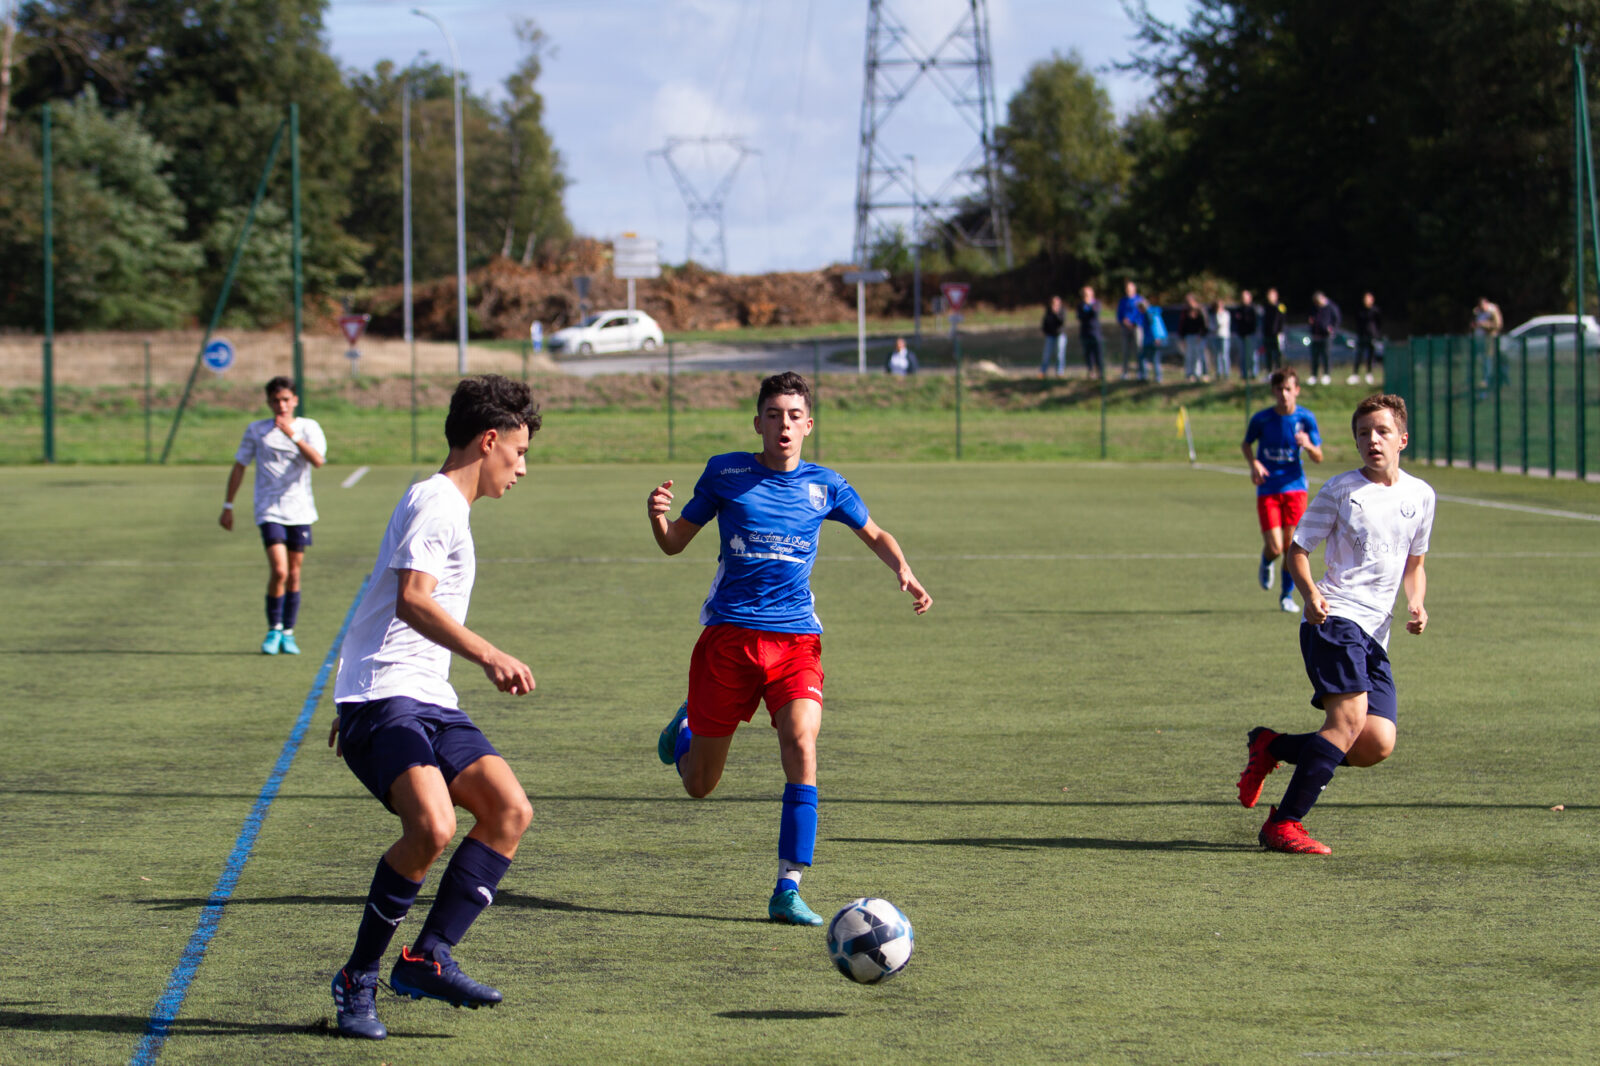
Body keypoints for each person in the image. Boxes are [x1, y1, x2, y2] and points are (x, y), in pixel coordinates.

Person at [646, 371, 932, 926]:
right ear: (758, 423)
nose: (784, 425)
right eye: (774, 415)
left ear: (808, 425)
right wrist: (657, 515)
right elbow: (675, 542)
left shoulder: (827, 485)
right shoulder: (726, 473)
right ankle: (686, 731)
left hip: (796, 640)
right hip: (728, 640)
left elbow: (875, 533)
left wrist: (904, 570)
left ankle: (788, 886)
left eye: (794, 416)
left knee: (801, 740)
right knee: (700, 786)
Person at [327, 375, 542, 1041]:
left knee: (509, 810)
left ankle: (428, 957)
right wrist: (489, 655)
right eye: (519, 452)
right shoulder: (436, 501)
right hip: (388, 698)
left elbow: (382, 602)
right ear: (489, 440)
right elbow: (411, 599)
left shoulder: (448, 507)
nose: (522, 468)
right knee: (433, 825)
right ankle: (358, 977)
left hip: (421, 697)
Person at [1235, 394, 1434, 855]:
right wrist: (1310, 594)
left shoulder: (1421, 496)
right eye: (1364, 433)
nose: (1372, 440)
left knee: (1374, 743)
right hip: (1335, 617)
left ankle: (1272, 746)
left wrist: (1417, 602)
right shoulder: (1342, 490)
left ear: (1402, 439)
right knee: (1346, 721)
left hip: (1375, 634)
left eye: (1382, 431)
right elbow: (1298, 550)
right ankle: (1283, 824)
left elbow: (1415, 564)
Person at [220, 376, 327, 656]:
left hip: (300, 510)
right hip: (269, 509)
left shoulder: (309, 427)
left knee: (294, 573)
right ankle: (273, 629)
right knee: (279, 570)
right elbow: (240, 465)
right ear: (268, 402)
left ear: (295, 400)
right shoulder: (257, 430)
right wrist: (228, 505)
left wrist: (293, 436)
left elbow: (318, 460)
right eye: (276, 400)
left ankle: (288, 632)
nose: (281, 405)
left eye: (286, 399)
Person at [1241, 367, 1323, 613]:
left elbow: (1318, 456)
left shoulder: (1305, 418)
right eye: (1279, 389)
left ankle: (1287, 595)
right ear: (1273, 391)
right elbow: (1246, 444)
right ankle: (1267, 560)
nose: (1284, 394)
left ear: (1296, 390)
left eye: (1288, 389)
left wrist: (1308, 445)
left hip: (1295, 488)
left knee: (1291, 547)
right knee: (1275, 547)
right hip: (1268, 488)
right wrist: (1254, 463)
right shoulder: (1262, 419)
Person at [1308, 291, 1341, 385]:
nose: (1317, 304)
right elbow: (1311, 318)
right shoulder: (1315, 308)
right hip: (1315, 335)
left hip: (1326, 336)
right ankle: (1314, 375)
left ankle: (1326, 375)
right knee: (1315, 356)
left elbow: (1337, 319)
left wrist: (1332, 329)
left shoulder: (1331, 307)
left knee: (1326, 356)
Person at [1350, 292, 1382, 385]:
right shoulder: (1360, 310)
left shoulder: (1375, 311)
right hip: (1361, 335)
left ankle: (1369, 374)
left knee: (1371, 356)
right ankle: (1355, 375)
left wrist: (1376, 334)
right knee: (1359, 355)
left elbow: (1379, 323)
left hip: (1371, 335)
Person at [1470, 296, 1503, 387]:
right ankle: (1473, 379)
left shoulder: (1492, 311)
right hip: (1478, 339)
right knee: (1476, 360)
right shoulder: (1477, 312)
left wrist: (1483, 325)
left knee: (1487, 360)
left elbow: (1498, 325)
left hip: (1489, 339)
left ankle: (1487, 379)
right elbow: (1473, 323)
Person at [1116, 280, 1144, 380]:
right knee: (1125, 351)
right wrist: (1123, 321)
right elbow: (1119, 314)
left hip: (1136, 328)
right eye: (1127, 289)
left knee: (1139, 350)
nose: (1128, 291)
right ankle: (1125, 372)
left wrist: (1134, 323)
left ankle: (1141, 372)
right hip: (1125, 328)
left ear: (1134, 289)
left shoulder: (1139, 300)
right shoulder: (1123, 301)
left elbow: (1142, 314)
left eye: (1130, 289)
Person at [1177, 293, 1209, 381]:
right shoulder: (1185, 312)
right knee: (1189, 356)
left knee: (1199, 355)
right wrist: (1182, 337)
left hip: (1198, 336)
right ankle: (1189, 374)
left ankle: (1200, 373)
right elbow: (1182, 325)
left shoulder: (1200, 310)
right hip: (1188, 336)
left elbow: (1205, 324)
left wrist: (1201, 335)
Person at [1233, 290, 1260, 380]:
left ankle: (1254, 373)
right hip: (1241, 336)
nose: (1244, 300)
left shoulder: (1253, 309)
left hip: (1251, 336)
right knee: (1242, 356)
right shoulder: (1239, 310)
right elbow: (1236, 322)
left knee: (1252, 355)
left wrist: (1251, 332)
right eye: (1242, 298)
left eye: (1245, 298)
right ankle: (1244, 374)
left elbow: (1255, 323)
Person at [1137, 298, 1165, 383]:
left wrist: (1156, 337)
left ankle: (1144, 376)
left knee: (1143, 357)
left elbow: (1153, 326)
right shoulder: (1153, 312)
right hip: (1154, 338)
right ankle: (1158, 377)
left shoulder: (1148, 314)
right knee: (1154, 358)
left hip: (1151, 339)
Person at [1078, 285, 1104, 378]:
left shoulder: (1096, 303)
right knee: (1088, 354)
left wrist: (1089, 306)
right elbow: (1081, 317)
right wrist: (1087, 311)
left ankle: (1100, 372)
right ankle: (1091, 371)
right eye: (1085, 294)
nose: (1086, 296)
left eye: (1088, 294)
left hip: (1095, 332)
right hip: (1085, 332)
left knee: (1098, 354)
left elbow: (1095, 313)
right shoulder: (1081, 305)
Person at [1260, 288, 1288, 374]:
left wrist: (1280, 332)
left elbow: (1283, 320)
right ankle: (1269, 372)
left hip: (1277, 334)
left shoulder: (1281, 306)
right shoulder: (1265, 307)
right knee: (1268, 354)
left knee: (1278, 354)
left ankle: (1279, 372)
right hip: (1267, 334)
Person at [1039, 295, 1066, 377]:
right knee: (1046, 355)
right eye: (1053, 303)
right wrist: (1045, 331)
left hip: (1060, 335)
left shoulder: (1062, 311)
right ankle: (1043, 372)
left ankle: (1059, 372)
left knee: (1059, 354)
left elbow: (1061, 321)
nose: (1055, 305)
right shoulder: (1048, 311)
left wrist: (1056, 313)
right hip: (1050, 335)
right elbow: (1045, 322)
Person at [1209, 298, 1232, 380]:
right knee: (1217, 355)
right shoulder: (1213, 315)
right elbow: (1211, 326)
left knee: (1224, 355)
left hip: (1224, 336)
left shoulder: (1226, 314)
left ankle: (1226, 373)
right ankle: (1218, 372)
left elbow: (1221, 323)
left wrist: (1218, 315)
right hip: (1216, 336)